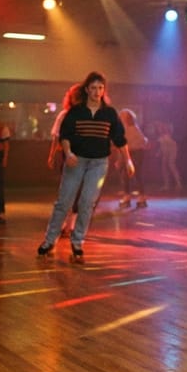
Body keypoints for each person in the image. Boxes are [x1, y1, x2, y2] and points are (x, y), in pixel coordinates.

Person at [37, 72, 133, 262]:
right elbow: (65, 136)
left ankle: (78, 241)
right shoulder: (76, 112)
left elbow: (120, 139)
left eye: (100, 88)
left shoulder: (109, 113)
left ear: (103, 90)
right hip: (76, 161)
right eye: (93, 88)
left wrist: (128, 160)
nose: (97, 92)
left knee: (87, 203)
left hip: (99, 163)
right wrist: (69, 153)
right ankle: (50, 240)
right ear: (87, 90)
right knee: (64, 202)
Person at [47, 84, 83, 238]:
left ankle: (71, 222)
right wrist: (52, 155)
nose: (77, 99)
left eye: (80, 96)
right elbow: (56, 136)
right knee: (67, 189)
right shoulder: (64, 115)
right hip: (68, 156)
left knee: (80, 191)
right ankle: (63, 222)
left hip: (86, 157)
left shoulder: (91, 115)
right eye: (75, 96)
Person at [119, 108, 149, 208]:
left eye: (122, 115)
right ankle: (127, 196)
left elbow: (144, 141)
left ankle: (141, 196)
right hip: (129, 152)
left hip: (137, 152)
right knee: (125, 175)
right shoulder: (125, 128)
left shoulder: (133, 128)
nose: (120, 117)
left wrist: (139, 145)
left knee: (136, 174)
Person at [156, 121, 182, 192]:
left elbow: (170, 145)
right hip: (166, 151)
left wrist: (162, 152)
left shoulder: (167, 134)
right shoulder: (161, 136)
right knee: (164, 168)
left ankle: (178, 184)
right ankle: (167, 185)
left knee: (171, 165)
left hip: (171, 151)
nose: (158, 129)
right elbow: (162, 145)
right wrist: (159, 152)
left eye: (159, 127)